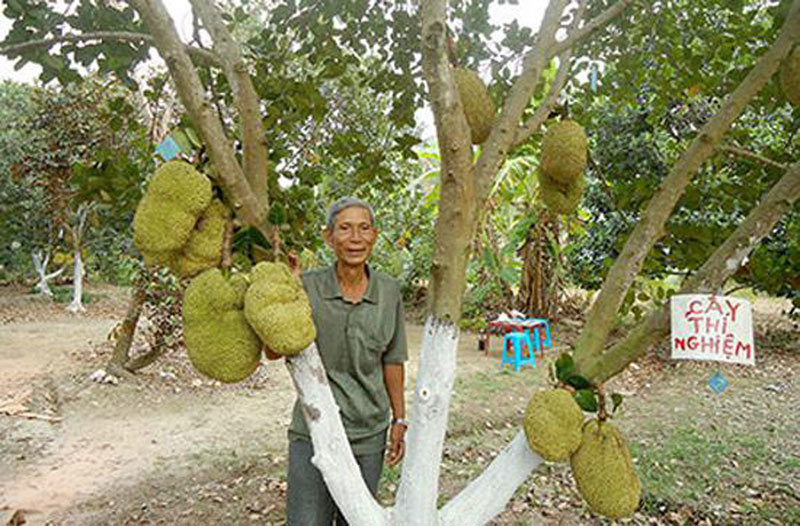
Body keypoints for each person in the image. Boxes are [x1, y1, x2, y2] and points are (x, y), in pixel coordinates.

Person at [269, 197, 408, 526]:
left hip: (369, 433)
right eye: (345, 229)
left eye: (364, 228)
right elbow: (273, 352)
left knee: (356, 521)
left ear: (375, 235)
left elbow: (393, 360)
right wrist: (287, 294)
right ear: (328, 237)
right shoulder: (307, 286)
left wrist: (400, 419)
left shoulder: (389, 292)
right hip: (313, 431)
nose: (355, 238)